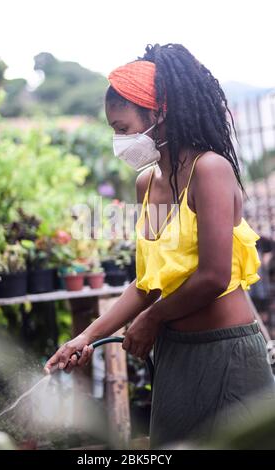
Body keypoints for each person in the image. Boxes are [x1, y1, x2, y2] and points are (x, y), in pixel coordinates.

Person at [45, 43, 275, 449]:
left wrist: (152, 320)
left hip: (228, 354)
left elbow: (213, 275)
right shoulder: (146, 184)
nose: (119, 141)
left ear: (160, 113)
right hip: (175, 358)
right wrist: (85, 337)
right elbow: (148, 282)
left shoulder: (210, 171)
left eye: (123, 128)